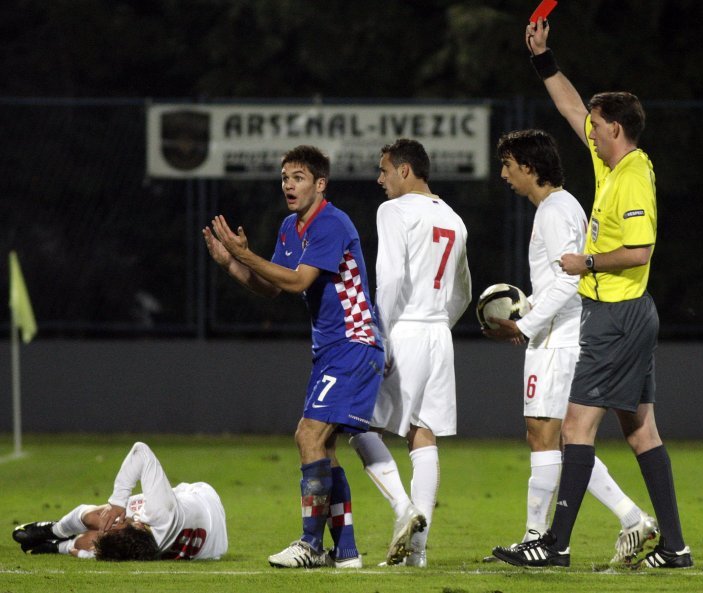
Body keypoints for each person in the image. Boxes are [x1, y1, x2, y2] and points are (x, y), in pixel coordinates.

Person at [492, 18, 692, 569]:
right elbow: (570, 107)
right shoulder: (611, 164)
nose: (589, 131)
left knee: (575, 427)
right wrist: (543, 59)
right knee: (642, 430)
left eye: (598, 126)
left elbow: (641, 250)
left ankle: (553, 545)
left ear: (618, 130)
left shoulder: (629, 176)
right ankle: (675, 546)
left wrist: (586, 263)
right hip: (626, 313)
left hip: (616, 313)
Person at [203, 144, 384, 568]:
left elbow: (298, 280)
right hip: (332, 351)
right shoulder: (291, 226)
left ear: (320, 184)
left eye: (298, 177)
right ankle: (347, 552)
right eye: (285, 177)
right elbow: (272, 286)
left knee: (308, 436)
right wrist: (232, 264)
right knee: (324, 447)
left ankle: (310, 544)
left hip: (354, 343)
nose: (289, 184)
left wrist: (246, 253)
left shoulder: (331, 222)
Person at [484, 128, 658, 565]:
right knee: (556, 439)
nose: (504, 174)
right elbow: (556, 279)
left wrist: (526, 322)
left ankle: (542, 536)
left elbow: (570, 277)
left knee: (546, 436)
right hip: (557, 335)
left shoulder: (556, 209)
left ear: (528, 166)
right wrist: (530, 308)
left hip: (559, 340)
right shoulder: (558, 206)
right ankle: (626, 519)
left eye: (508, 164)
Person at [349, 138, 471, 568]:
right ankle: (415, 554)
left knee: (357, 424)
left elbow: (392, 275)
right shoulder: (454, 219)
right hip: (440, 335)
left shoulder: (394, 211)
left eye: (384, 170)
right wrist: (439, 322)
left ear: (405, 170)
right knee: (423, 435)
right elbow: (464, 292)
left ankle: (405, 510)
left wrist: (378, 333)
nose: (379, 179)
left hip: (404, 330)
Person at [12, 441, 227, 560]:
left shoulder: (138, 544)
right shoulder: (161, 510)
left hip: (209, 538)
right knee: (103, 518)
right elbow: (141, 453)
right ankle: (54, 530)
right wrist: (118, 502)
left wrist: (69, 549)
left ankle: (57, 544)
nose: (111, 526)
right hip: (205, 500)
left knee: (105, 538)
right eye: (121, 525)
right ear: (140, 525)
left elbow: (112, 551)